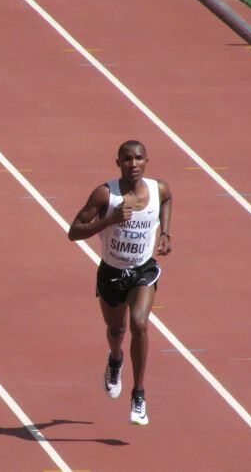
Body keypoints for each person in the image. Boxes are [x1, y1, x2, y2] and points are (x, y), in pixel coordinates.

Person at [68, 140, 172, 425]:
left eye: (138, 158)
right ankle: (115, 360)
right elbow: (73, 232)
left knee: (139, 323)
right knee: (116, 329)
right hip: (112, 272)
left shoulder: (157, 189)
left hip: (143, 271)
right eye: (127, 159)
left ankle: (138, 394)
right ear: (118, 163)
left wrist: (166, 233)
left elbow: (167, 199)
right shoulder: (105, 195)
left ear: (147, 161)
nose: (133, 164)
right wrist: (109, 220)